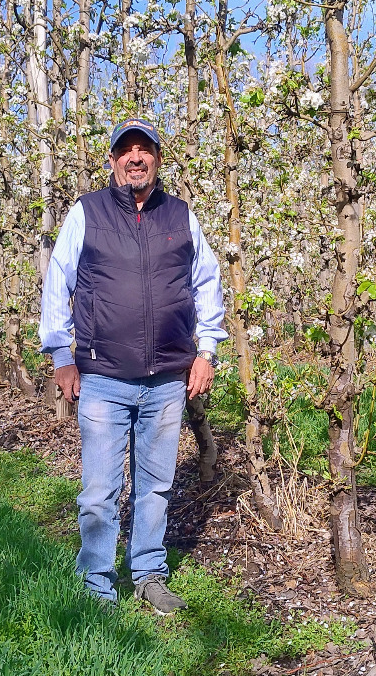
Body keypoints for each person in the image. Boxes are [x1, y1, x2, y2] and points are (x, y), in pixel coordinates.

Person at [38, 117, 226, 614]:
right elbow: (58, 281)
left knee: (155, 486)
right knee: (100, 489)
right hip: (102, 377)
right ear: (113, 160)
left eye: (145, 150)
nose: (136, 158)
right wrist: (61, 356)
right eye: (127, 150)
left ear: (158, 160)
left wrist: (206, 351)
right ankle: (97, 583)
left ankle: (147, 573)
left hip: (167, 378)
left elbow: (206, 282)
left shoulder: (180, 216)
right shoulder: (87, 213)